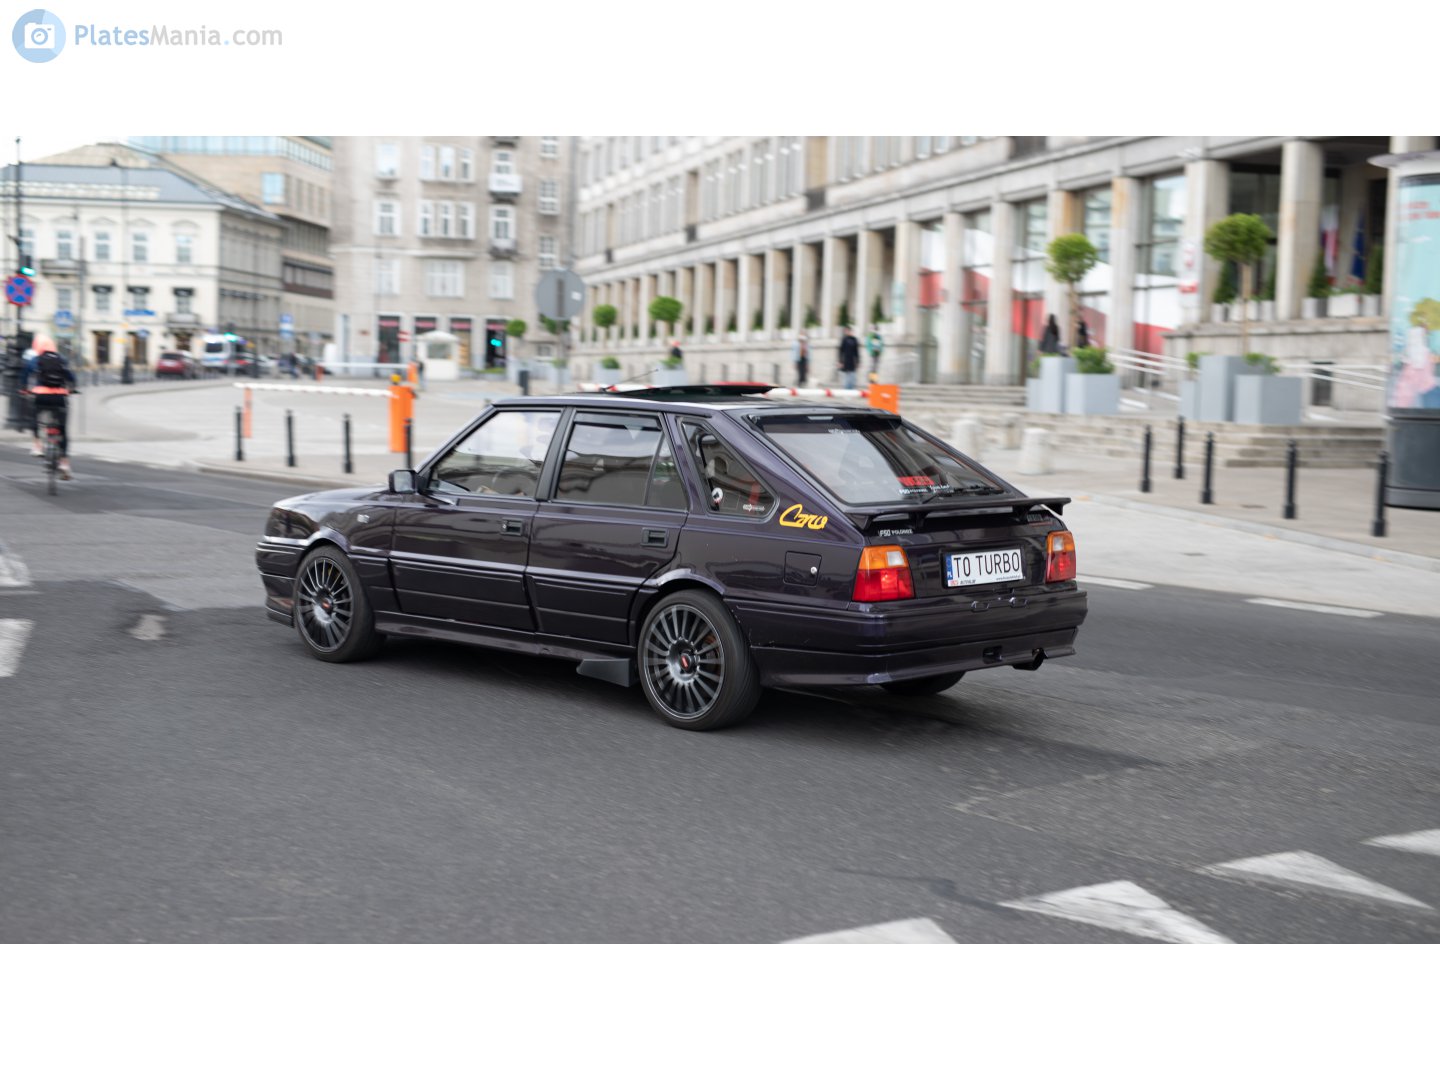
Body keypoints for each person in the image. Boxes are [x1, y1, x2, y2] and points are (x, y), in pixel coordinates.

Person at [23, 335, 78, 480]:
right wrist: (72, 389)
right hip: (59, 397)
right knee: (63, 430)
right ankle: (64, 463)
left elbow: (25, 375)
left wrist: (24, 389)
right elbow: (71, 377)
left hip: (41, 396)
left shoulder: (35, 360)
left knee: (33, 415)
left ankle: (37, 445)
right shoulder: (61, 359)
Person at [837, 326, 860, 390]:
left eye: (847, 331)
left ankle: (851, 389)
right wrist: (840, 361)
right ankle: (846, 390)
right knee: (846, 376)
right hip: (845, 360)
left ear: (850, 331)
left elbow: (856, 351)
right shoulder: (844, 339)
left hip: (852, 360)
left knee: (852, 376)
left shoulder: (854, 339)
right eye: (845, 331)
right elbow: (841, 351)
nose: (846, 332)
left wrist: (858, 361)